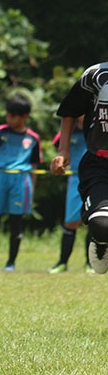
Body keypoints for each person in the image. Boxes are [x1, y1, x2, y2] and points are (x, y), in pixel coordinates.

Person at [50, 62, 108, 273]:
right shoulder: (96, 75)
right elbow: (71, 110)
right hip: (99, 164)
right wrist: (63, 150)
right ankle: (101, 243)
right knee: (101, 224)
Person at [0, 94, 41, 272]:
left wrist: (31, 190)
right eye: (8, 114)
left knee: (16, 221)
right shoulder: (0, 132)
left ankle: (11, 262)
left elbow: (34, 167)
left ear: (24, 116)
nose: (8, 119)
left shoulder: (33, 138)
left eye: (13, 116)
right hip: (0, 177)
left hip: (21, 180)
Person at [49, 116, 90, 273]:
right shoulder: (69, 131)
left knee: (95, 222)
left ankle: (90, 264)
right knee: (70, 222)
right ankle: (62, 262)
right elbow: (57, 143)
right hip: (75, 179)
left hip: (97, 179)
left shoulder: (96, 128)